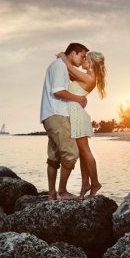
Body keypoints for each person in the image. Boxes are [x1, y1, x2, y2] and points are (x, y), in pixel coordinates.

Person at [40, 42, 89, 201]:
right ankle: (62, 191)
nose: (83, 60)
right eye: (82, 56)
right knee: (71, 153)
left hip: (49, 115)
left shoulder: (59, 65)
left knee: (54, 156)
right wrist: (79, 98)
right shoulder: (60, 67)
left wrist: (62, 55)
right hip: (58, 115)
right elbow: (58, 91)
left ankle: (52, 194)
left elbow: (73, 76)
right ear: (73, 53)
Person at [58, 50, 107, 198]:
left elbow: (71, 69)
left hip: (78, 115)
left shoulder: (90, 76)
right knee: (83, 153)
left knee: (85, 151)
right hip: (76, 113)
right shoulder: (88, 76)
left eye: (86, 58)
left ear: (91, 62)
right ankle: (85, 184)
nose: (83, 60)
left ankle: (95, 183)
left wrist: (62, 56)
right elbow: (70, 73)